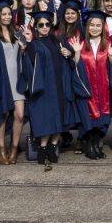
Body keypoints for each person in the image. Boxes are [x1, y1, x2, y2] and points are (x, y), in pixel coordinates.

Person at [21, 10, 88, 167]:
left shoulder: (59, 41)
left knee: (60, 118)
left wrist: (69, 53)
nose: (44, 27)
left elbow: (71, 62)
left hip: (60, 85)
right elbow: (29, 62)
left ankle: (53, 146)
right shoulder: (34, 43)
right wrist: (29, 42)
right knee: (45, 118)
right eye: (41, 25)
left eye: (47, 24)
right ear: (35, 27)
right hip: (43, 87)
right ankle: (42, 147)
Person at [67, 10, 112, 160]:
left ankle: (96, 144)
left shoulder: (110, 44)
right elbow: (73, 66)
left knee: (102, 119)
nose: (95, 28)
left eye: (98, 25)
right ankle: (89, 145)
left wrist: (110, 56)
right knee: (87, 118)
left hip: (103, 88)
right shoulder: (80, 43)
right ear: (87, 27)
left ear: (103, 27)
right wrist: (76, 53)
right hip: (86, 88)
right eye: (92, 25)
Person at [0, 0, 26, 165]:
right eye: (4, 14)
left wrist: (23, 49)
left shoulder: (18, 33)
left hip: (17, 81)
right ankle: (1, 150)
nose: (8, 16)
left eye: (9, 14)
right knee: (2, 115)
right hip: (3, 80)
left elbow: (21, 58)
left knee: (20, 115)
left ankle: (14, 148)